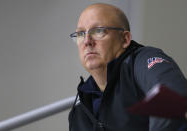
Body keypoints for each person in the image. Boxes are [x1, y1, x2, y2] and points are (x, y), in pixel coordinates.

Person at [68, 3, 187, 131]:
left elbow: (173, 100)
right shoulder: (80, 110)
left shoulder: (141, 61)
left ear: (125, 39)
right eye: (80, 34)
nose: (87, 41)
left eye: (98, 31)